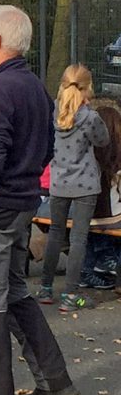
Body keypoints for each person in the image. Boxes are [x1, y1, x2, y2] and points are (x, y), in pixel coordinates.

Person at [0, 5, 75, 395]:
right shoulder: (35, 88)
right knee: (17, 294)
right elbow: (45, 148)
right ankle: (54, 381)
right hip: (22, 206)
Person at [36, 64, 109, 310]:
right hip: (85, 184)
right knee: (78, 238)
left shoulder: (54, 112)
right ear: (88, 88)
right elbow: (103, 140)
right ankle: (70, 294)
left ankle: (46, 288)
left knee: (56, 234)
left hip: (58, 182)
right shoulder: (89, 117)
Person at [78, 106, 121, 289]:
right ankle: (109, 262)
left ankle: (94, 265)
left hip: (87, 214)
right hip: (112, 217)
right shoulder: (117, 158)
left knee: (91, 233)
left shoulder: (87, 153)